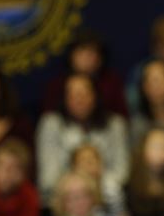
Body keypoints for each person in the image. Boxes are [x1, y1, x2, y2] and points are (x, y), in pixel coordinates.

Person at [37, 73, 129, 205]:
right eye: (73, 95)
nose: (79, 100)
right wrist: (77, 190)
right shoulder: (51, 124)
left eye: (84, 94)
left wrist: (94, 190)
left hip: (106, 197)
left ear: (95, 96)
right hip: (64, 200)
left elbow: (122, 172)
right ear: (64, 99)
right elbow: (48, 178)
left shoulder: (116, 125)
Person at [42, 28, 128, 118]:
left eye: (91, 53)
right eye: (82, 51)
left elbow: (121, 117)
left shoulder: (111, 83)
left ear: (100, 58)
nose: (86, 58)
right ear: (71, 56)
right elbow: (49, 119)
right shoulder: (57, 85)